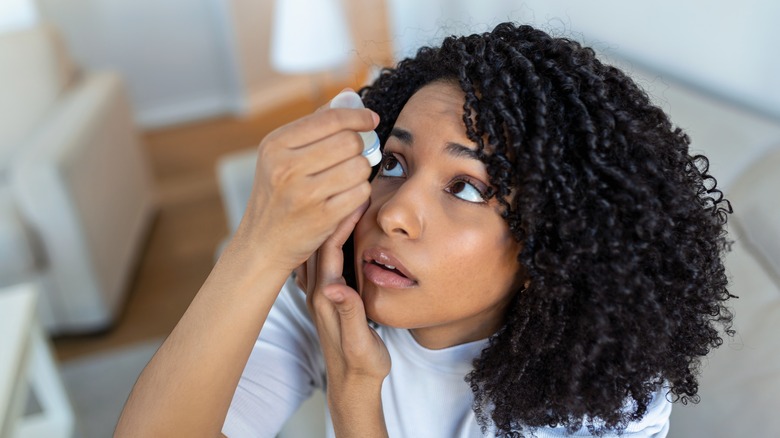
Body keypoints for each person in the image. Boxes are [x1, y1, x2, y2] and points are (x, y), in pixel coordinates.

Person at [115, 22, 734, 437]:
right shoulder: (332, 284)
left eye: (466, 186)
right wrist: (256, 246)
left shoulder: (600, 389)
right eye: (393, 163)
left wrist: (354, 394)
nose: (393, 213)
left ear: (554, 240)